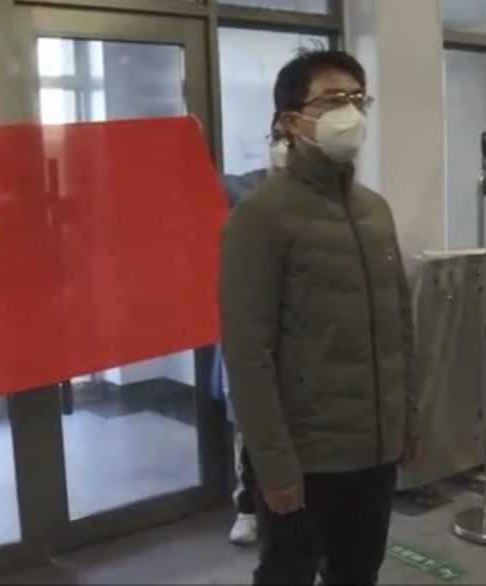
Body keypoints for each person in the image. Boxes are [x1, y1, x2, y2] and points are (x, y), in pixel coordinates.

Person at [219, 48, 420, 586]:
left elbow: (400, 324)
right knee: (288, 574)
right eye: (332, 100)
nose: (349, 113)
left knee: (358, 572)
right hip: (306, 456)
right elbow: (248, 353)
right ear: (290, 121)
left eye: (357, 99)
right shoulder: (261, 216)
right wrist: (273, 465)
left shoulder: (375, 210)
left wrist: (409, 419)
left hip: (374, 450)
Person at [217, 135, 289, 546]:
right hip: (253, 324)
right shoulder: (245, 190)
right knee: (249, 418)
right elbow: (202, 185)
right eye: (279, 137)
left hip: (301, 329)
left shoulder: (330, 198)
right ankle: (248, 506)